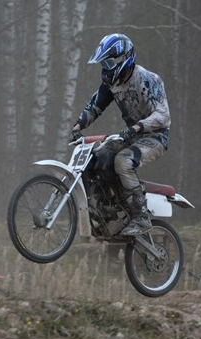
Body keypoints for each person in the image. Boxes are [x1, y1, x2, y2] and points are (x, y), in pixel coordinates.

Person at [71, 33, 171, 237]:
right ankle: (108, 210)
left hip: (155, 136)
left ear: (123, 59)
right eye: (103, 63)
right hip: (132, 134)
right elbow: (95, 106)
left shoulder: (147, 79)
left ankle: (141, 216)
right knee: (96, 157)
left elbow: (163, 115)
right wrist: (77, 126)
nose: (106, 68)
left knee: (123, 161)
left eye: (109, 62)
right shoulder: (112, 84)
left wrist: (137, 128)